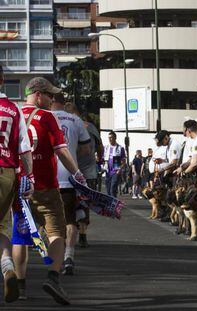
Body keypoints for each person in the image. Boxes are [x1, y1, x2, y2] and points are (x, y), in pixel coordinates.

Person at [13, 77, 86, 305]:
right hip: (45, 186)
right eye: (49, 95)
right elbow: (62, 151)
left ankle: (21, 286)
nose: (52, 99)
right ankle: (53, 277)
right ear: (37, 94)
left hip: (19, 187)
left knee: (20, 238)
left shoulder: (12, 115)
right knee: (57, 233)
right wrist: (77, 173)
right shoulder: (47, 117)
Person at [0, 64, 33, 303]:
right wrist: (29, 178)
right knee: (1, 226)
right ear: (2, 80)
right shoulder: (13, 109)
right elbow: (24, 148)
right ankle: (7, 266)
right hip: (6, 171)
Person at [51, 94, 91, 275]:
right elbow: (86, 149)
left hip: (48, 176)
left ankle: (54, 259)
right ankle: (69, 256)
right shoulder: (75, 119)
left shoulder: (44, 117)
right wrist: (72, 157)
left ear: (51, 100)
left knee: (50, 221)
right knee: (70, 219)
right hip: (69, 175)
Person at [75, 113, 103, 248]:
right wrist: (99, 159)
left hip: (70, 171)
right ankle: (82, 235)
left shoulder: (64, 123)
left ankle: (64, 234)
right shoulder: (91, 127)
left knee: (67, 202)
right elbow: (100, 147)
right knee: (85, 204)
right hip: (89, 172)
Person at [103, 131, 126, 198]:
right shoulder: (106, 147)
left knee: (113, 189)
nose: (110, 139)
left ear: (115, 138)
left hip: (115, 171)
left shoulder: (120, 148)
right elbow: (103, 159)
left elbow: (124, 161)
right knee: (108, 190)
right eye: (109, 138)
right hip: (107, 172)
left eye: (111, 137)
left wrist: (120, 169)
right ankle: (110, 205)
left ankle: (113, 206)